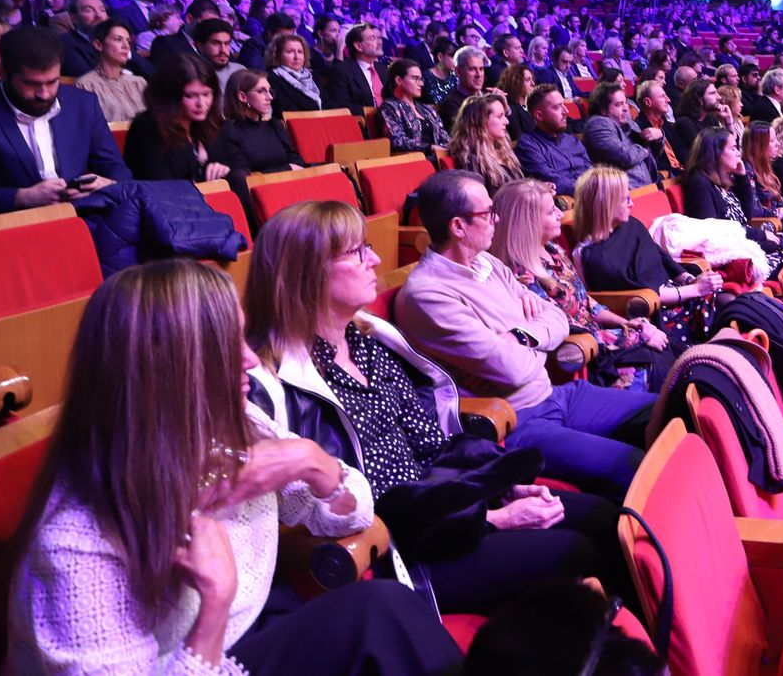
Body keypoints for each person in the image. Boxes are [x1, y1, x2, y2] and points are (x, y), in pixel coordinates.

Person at [6, 259, 461, 675]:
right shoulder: (78, 538)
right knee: (378, 613)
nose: (248, 358)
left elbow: (354, 512)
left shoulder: (235, 421)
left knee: (385, 615)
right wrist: (215, 605)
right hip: (201, 656)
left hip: (264, 623)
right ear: (171, 372)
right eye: (226, 346)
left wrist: (312, 462)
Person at [242, 202, 623, 617]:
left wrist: (500, 487)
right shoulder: (273, 385)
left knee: (604, 516)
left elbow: (432, 444)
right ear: (307, 273)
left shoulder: (370, 341)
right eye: (356, 252)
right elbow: (349, 509)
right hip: (403, 551)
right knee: (580, 550)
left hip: (447, 506)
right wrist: (492, 519)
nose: (376, 259)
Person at [394, 170, 657, 497]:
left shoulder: (488, 263)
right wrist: (539, 340)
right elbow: (512, 369)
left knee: (664, 411)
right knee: (636, 465)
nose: (496, 218)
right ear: (458, 226)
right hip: (516, 420)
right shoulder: (429, 295)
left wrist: (520, 335)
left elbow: (557, 317)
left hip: (556, 394)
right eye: (487, 213)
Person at [491, 178, 671, 390]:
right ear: (527, 223)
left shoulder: (552, 250)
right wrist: (635, 335)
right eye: (551, 212)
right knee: (663, 367)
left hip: (604, 342)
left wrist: (626, 324)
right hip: (583, 358)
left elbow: (587, 303)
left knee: (674, 356)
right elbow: (564, 331)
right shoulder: (519, 277)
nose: (560, 214)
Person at [0, 27, 130, 213]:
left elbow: (116, 169)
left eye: (53, 82)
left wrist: (106, 184)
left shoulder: (83, 104)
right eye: (31, 84)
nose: (44, 94)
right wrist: (21, 197)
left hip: (84, 216)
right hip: (10, 224)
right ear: (3, 74)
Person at [573, 166, 724, 350]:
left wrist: (690, 279)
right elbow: (637, 296)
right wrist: (695, 290)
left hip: (679, 294)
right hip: (655, 313)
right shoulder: (588, 255)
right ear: (607, 204)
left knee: (734, 304)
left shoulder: (632, 225)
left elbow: (662, 258)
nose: (631, 204)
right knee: (726, 313)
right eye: (625, 199)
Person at [681, 126, 783, 279]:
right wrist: (761, 235)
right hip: (731, 253)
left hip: (744, 241)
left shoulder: (722, 180)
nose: (739, 153)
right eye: (733, 148)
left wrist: (742, 177)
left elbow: (745, 217)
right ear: (716, 153)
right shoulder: (699, 182)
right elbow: (714, 229)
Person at [124, 54, 230, 185]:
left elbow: (227, 160)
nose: (201, 104)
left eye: (206, 94)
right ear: (170, 96)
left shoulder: (208, 121)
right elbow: (161, 185)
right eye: (190, 96)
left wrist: (221, 168)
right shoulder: (146, 128)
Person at [209, 70, 304, 181]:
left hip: (291, 186)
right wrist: (288, 168)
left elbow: (298, 162)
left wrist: (263, 173)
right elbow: (245, 177)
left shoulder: (275, 125)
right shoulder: (229, 131)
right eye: (261, 91)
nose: (270, 97)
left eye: (269, 91)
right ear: (242, 96)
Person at [514, 85, 591, 196]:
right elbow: (555, 181)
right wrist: (592, 188)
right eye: (557, 107)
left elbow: (591, 171)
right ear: (539, 115)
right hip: (568, 203)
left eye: (564, 105)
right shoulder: (528, 145)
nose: (566, 111)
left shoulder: (572, 140)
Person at [580, 81, 658, 189]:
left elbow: (654, 152)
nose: (626, 108)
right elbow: (625, 157)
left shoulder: (629, 124)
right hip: (626, 194)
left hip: (647, 187)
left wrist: (659, 136)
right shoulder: (598, 124)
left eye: (625, 103)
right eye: (619, 104)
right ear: (603, 110)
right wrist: (642, 150)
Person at [75, 18, 149, 124]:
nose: (126, 46)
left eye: (128, 41)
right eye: (118, 39)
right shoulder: (86, 85)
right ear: (98, 45)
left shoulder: (138, 82)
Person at [448, 94, 524, 194]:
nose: (506, 121)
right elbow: (477, 200)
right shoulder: (472, 160)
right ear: (481, 122)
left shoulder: (503, 151)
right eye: (500, 116)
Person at [379, 58, 449, 157]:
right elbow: (397, 140)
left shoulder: (427, 109)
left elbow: (443, 135)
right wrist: (429, 147)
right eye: (415, 78)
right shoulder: (389, 108)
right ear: (399, 80)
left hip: (439, 157)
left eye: (421, 79)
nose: (421, 84)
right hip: (413, 160)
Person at [322, 23, 390, 115]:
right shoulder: (342, 71)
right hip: (364, 124)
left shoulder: (383, 69)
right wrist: (375, 112)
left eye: (379, 38)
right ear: (358, 46)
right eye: (372, 38)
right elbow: (340, 105)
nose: (379, 42)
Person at [265, 34, 324, 116]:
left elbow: (326, 104)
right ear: (277, 55)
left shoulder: (314, 76)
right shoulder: (272, 78)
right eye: (290, 52)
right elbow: (284, 110)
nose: (297, 57)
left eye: (300, 52)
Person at [437, 46, 489, 131]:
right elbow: (468, 133)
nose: (478, 75)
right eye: (472, 69)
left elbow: (513, 133)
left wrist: (505, 108)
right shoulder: (450, 104)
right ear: (458, 71)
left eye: (481, 69)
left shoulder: (487, 96)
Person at [193, 18, 242, 94]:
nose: (223, 50)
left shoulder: (239, 71)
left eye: (227, 43)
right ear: (200, 46)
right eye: (215, 43)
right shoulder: (190, 73)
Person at [496, 62, 536, 140]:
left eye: (532, 79)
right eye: (528, 80)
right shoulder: (510, 108)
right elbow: (516, 135)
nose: (533, 83)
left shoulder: (534, 104)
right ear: (516, 82)